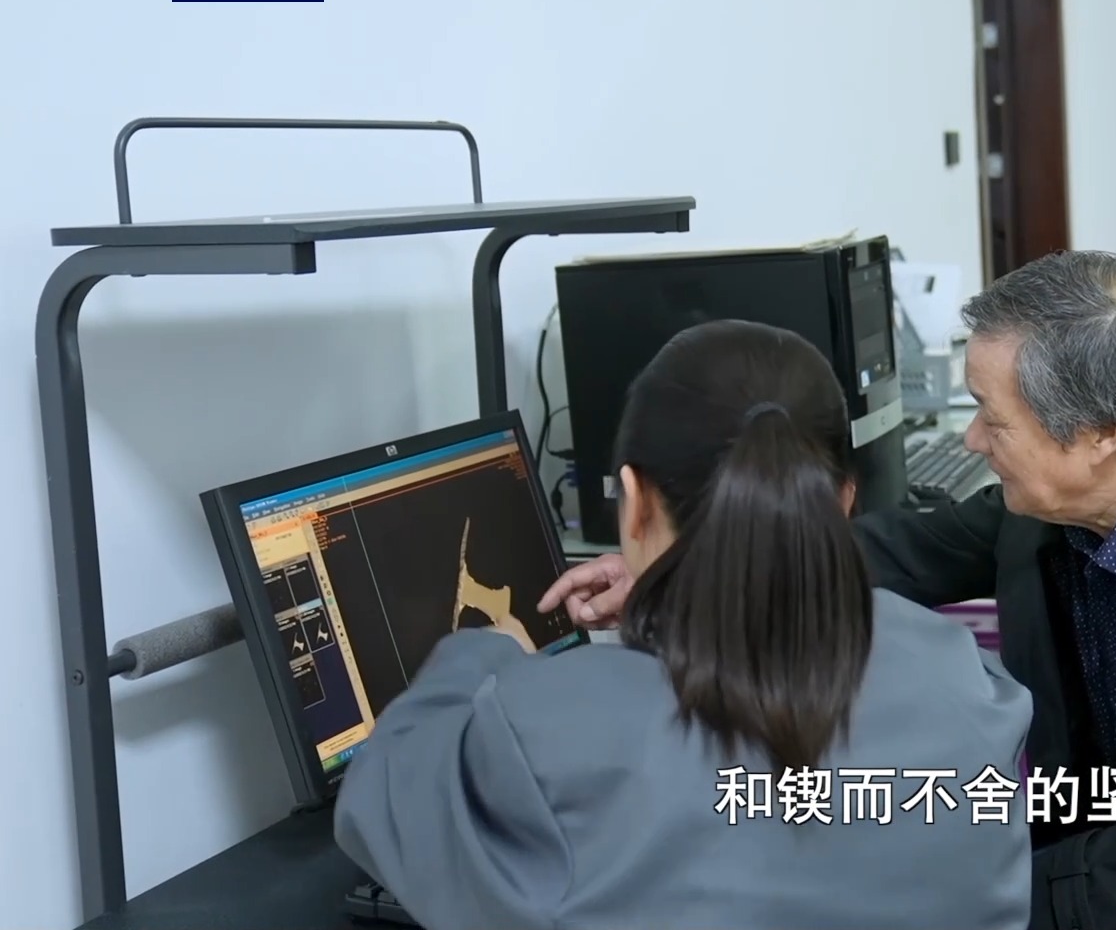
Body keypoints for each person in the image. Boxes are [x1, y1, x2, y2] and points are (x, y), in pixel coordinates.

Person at [548, 253, 1116, 930]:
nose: (973, 440)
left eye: (994, 418)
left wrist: (1051, 886)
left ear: (1099, 433)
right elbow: (916, 548)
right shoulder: (1087, 495)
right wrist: (688, 563)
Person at [335, 319, 1033, 930]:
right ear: (845, 500)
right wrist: (702, 586)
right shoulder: (968, 677)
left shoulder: (545, 735)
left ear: (634, 498)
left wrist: (483, 653)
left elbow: (383, 799)